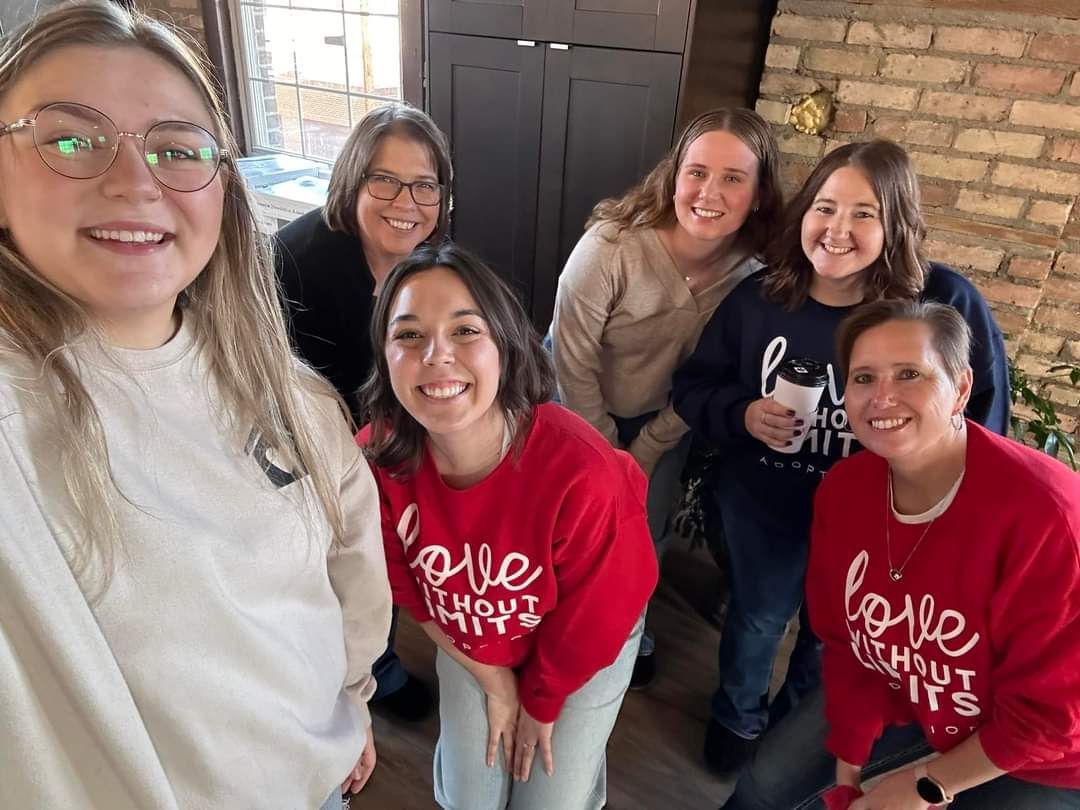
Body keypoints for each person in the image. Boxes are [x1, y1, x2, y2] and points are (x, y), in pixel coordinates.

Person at [0, 3, 391, 808]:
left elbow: (350, 574)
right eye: (71, 138)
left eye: (177, 149)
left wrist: (352, 701)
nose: (133, 180)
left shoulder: (294, 398)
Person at [673, 139, 1009, 776]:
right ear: (803, 213)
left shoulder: (941, 302)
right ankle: (736, 720)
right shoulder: (758, 300)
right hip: (767, 503)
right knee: (757, 616)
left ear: (897, 225)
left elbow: (984, 411)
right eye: (825, 207)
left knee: (839, 638)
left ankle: (793, 724)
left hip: (876, 521)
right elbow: (694, 387)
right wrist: (743, 414)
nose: (837, 229)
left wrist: (950, 510)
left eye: (864, 213)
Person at [723, 299, 1080, 809]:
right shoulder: (845, 490)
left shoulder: (1048, 514)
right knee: (765, 786)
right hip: (905, 692)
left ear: (959, 389)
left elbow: (1052, 713)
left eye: (910, 373)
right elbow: (846, 641)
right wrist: (848, 755)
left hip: (1043, 754)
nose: (882, 398)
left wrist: (929, 783)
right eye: (863, 378)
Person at [360, 243, 657, 810]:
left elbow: (594, 620)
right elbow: (407, 589)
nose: (437, 355)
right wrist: (495, 683)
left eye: (466, 331)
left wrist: (540, 703)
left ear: (505, 345)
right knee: (470, 801)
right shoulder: (375, 462)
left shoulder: (583, 472)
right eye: (409, 335)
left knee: (549, 801)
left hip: (580, 638)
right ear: (384, 355)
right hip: (474, 634)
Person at [549, 108, 783, 688]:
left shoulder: (754, 277)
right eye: (697, 172)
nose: (710, 192)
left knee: (646, 532)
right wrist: (606, 446)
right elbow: (570, 358)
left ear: (758, 194)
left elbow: (716, 378)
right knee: (566, 529)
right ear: (673, 176)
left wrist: (648, 447)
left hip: (666, 418)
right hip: (571, 406)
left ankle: (631, 632)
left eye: (734, 177)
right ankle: (556, 628)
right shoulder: (610, 247)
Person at [275, 102, 453, 721]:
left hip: (395, 446)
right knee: (327, 571)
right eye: (385, 179)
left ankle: (376, 654)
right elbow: (275, 388)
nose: (406, 200)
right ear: (352, 179)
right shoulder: (293, 260)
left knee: (386, 556)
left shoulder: (437, 263)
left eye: (424, 184)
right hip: (312, 453)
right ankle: (352, 674)